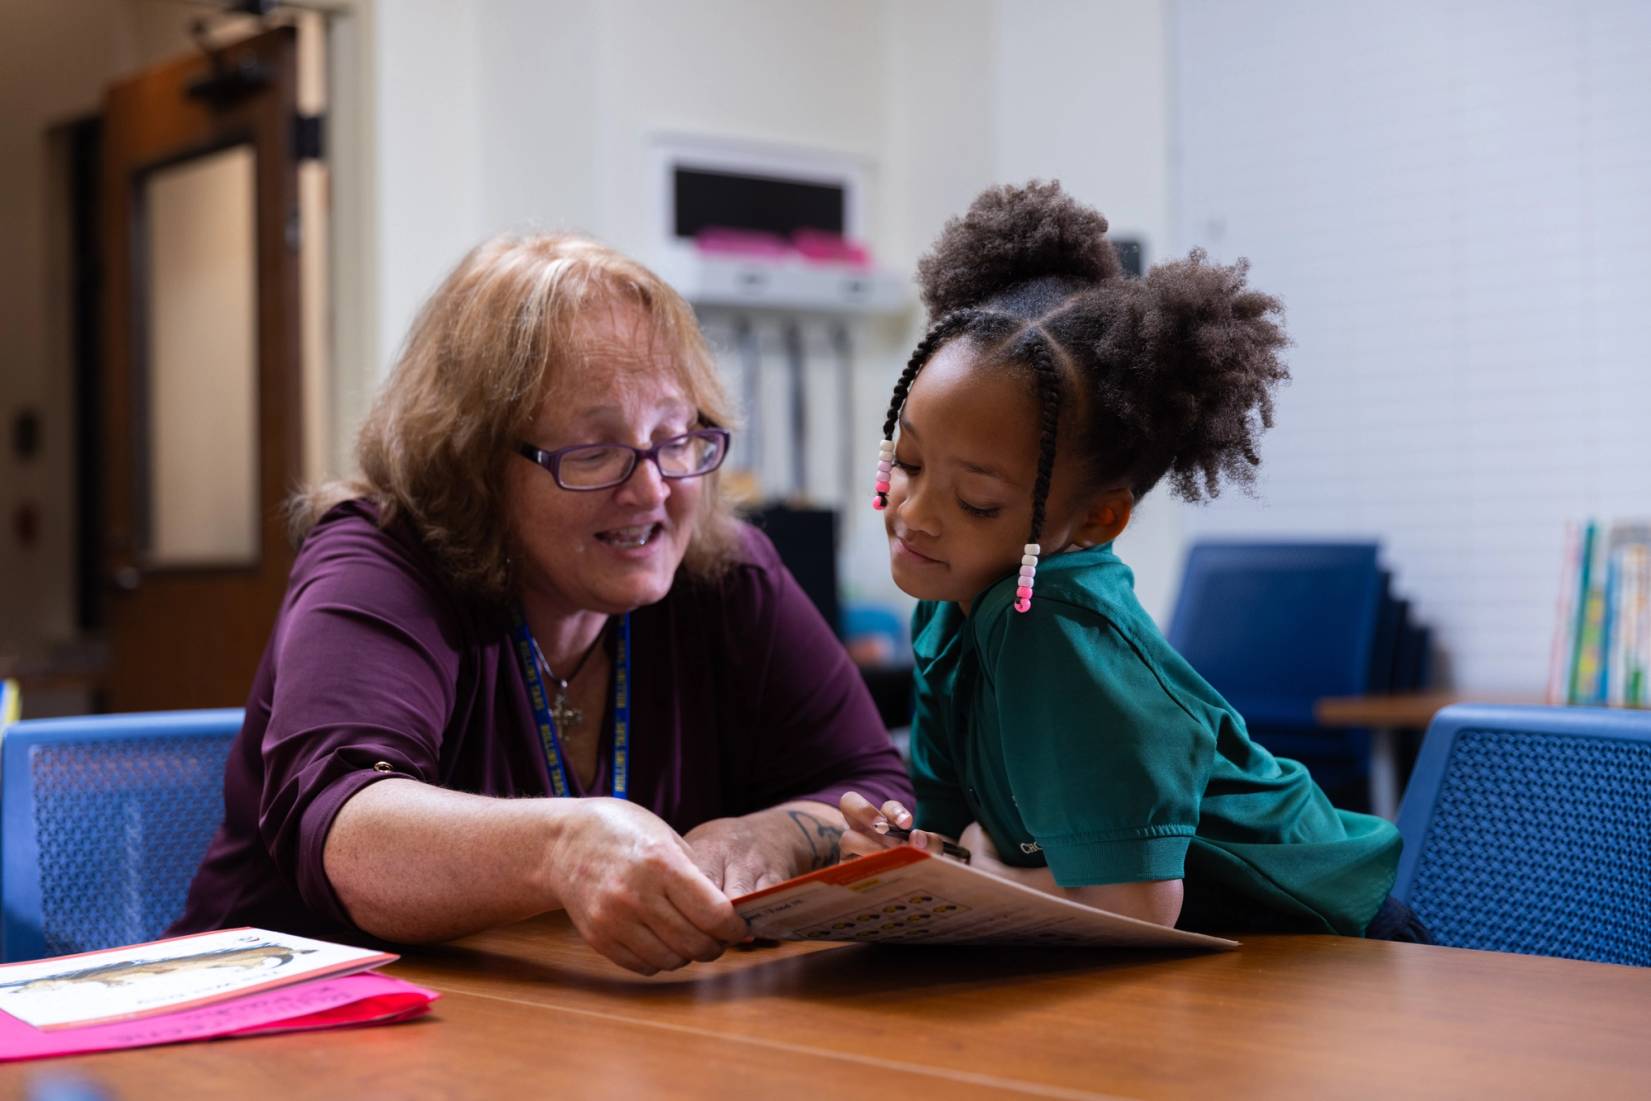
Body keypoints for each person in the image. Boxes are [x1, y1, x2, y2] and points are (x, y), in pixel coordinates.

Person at [171, 234, 913, 974]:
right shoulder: (380, 560)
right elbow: (346, 829)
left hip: (555, 1027)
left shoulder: (722, 570)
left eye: (675, 437)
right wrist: (566, 844)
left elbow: (873, 783)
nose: (652, 490)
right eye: (593, 451)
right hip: (274, 1024)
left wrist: (768, 837)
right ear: (475, 461)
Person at [839, 182, 1427, 941]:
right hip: (1220, 956)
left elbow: (1135, 907)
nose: (912, 513)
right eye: (908, 460)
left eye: (977, 501)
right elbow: (951, 841)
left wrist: (972, 871)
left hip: (1330, 952)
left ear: (1094, 518)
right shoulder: (945, 607)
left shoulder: (1056, 630)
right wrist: (900, 849)